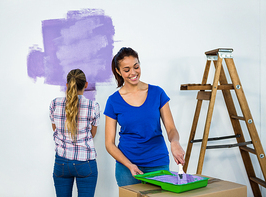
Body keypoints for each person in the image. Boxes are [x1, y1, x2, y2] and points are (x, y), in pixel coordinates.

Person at [104, 47, 185, 187]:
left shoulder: (157, 93)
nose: (133, 73)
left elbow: (171, 128)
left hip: (158, 163)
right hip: (127, 168)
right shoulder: (113, 101)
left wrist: (175, 142)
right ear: (118, 71)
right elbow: (109, 143)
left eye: (136, 67)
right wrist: (129, 165)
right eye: (127, 69)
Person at [49, 69, 100, 197]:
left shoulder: (55, 103)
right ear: (86, 85)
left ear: (67, 85)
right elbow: (92, 134)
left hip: (62, 162)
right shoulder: (93, 106)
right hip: (85, 163)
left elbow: (55, 129)